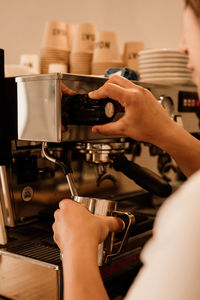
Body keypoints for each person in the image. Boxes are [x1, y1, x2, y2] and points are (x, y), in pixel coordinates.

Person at [53, 0, 200, 299]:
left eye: (190, 31)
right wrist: (168, 131)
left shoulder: (191, 215)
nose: (182, 46)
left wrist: (77, 244)